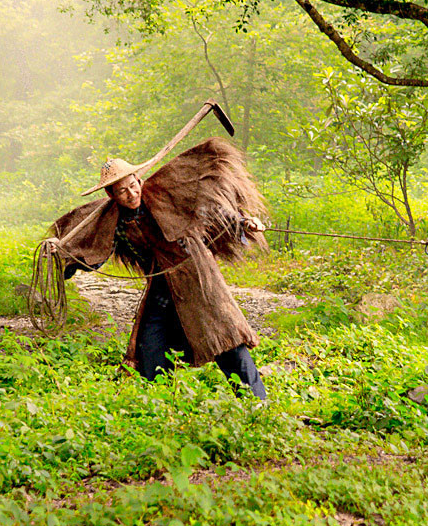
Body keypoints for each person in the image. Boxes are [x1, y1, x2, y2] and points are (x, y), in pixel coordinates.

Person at [41, 137, 269, 398]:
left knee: (225, 339)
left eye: (133, 185)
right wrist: (61, 252)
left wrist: (243, 223)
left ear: (139, 180)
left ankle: (256, 402)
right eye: (122, 191)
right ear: (111, 195)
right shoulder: (110, 220)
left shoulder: (169, 194)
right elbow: (94, 252)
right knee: (150, 350)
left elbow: (211, 208)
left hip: (197, 278)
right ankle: (160, 407)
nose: (131, 194)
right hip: (160, 290)